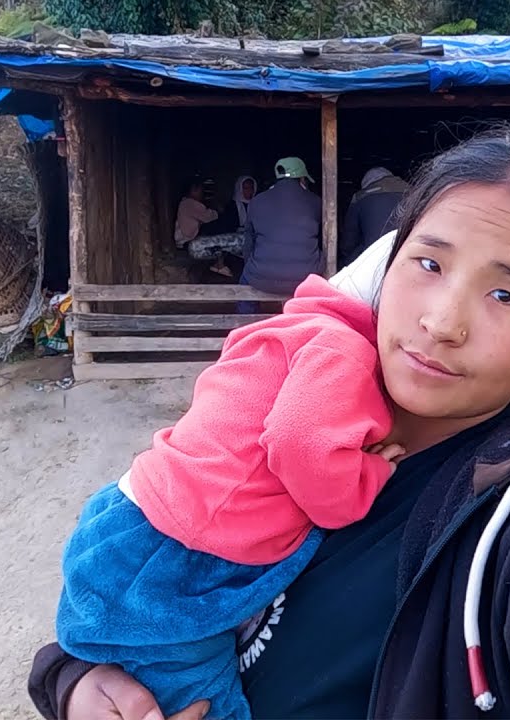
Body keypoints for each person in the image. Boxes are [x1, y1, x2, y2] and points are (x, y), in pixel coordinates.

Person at [28, 127, 510, 719]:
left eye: (506, 295)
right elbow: (162, 549)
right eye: (430, 265)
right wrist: (77, 679)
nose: (441, 323)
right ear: (387, 265)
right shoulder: (308, 386)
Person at [56, 271, 407, 718]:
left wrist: (67, 679)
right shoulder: (345, 349)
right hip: (185, 560)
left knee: (132, 656)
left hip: (130, 516)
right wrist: (370, 472)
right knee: (202, 702)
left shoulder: (285, 328)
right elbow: (301, 444)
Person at [237, 157, 323, 313]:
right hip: (305, 277)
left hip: (261, 276)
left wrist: (254, 266)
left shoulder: (257, 201)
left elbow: (248, 243)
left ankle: (245, 325)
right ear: (302, 179)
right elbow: (323, 240)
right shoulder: (316, 202)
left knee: (245, 281)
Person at [340, 166, 409, 268]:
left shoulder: (360, 197)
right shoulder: (414, 192)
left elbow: (349, 241)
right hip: (407, 253)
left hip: (373, 259)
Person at [174, 178, 219, 250]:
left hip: (184, 240)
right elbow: (209, 217)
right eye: (200, 190)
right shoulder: (190, 203)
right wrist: (217, 211)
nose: (202, 194)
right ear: (193, 190)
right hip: (187, 240)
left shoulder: (184, 202)